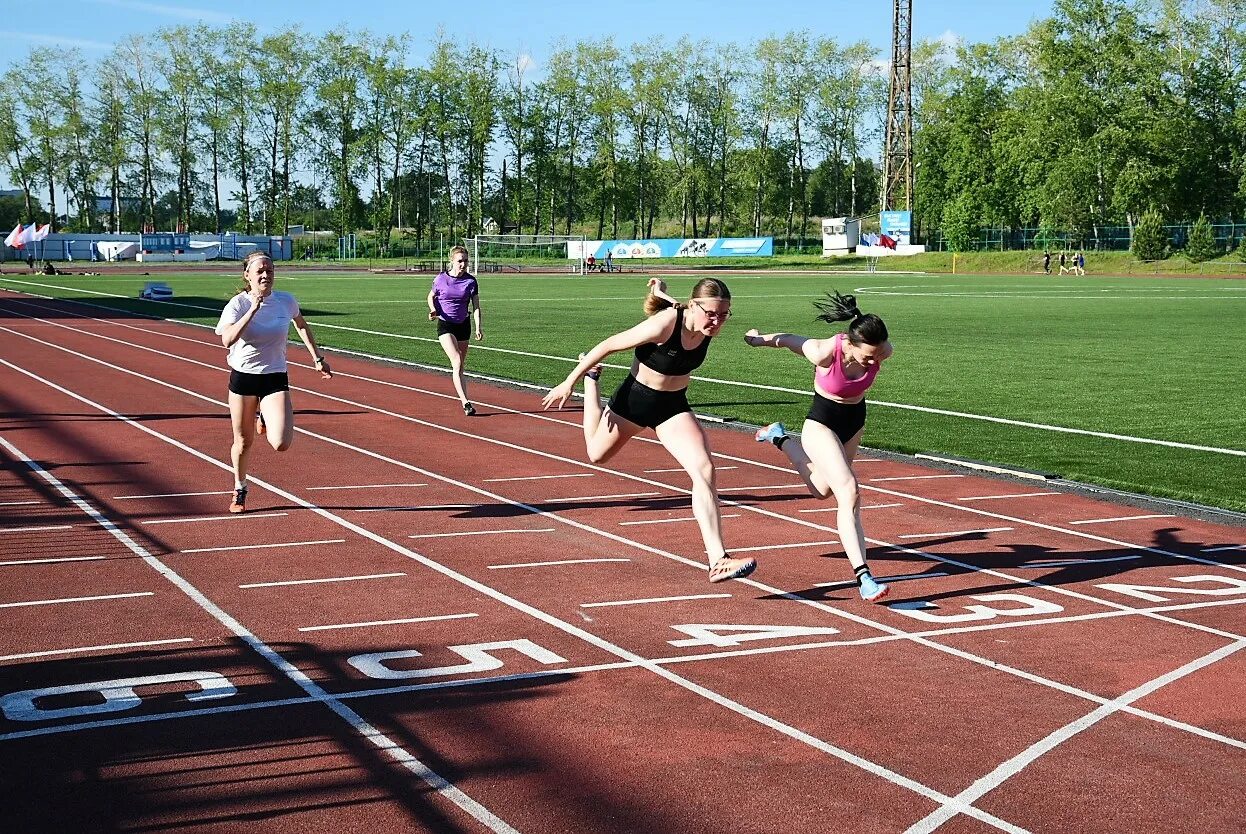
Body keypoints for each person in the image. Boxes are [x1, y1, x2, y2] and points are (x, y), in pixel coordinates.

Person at [542, 277, 756, 583]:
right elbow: (608, 344)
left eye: (724, 315)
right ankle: (592, 382)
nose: (717, 321)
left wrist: (658, 291)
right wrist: (569, 382)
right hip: (635, 401)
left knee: (705, 469)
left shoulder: (699, 320)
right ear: (695, 307)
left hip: (672, 406)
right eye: (711, 314)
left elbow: (673, 301)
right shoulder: (664, 324)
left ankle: (718, 559)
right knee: (596, 455)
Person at [745, 290, 893, 602]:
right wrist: (758, 340)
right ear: (849, 345)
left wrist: (876, 355)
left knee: (822, 490)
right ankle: (864, 577)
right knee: (849, 490)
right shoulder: (824, 351)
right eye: (868, 356)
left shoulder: (883, 350)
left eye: (877, 355)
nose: (874, 360)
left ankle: (778, 437)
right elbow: (787, 340)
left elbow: (878, 353)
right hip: (821, 422)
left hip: (854, 421)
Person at [215, 251, 332, 513]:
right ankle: (240, 487)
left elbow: (301, 325)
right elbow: (227, 340)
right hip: (243, 378)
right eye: (260, 271)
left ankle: (265, 417)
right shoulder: (237, 305)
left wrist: (317, 358)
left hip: (274, 376)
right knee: (243, 442)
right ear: (248, 275)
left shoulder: (285, 301)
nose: (266, 275)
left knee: (281, 443)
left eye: (269, 270)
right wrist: (253, 309)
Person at [428, 245, 483, 415]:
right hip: (446, 324)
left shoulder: (471, 281)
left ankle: (464, 400)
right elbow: (431, 296)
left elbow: (476, 306)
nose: (463, 264)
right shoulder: (440, 279)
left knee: (460, 367)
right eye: (460, 261)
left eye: (466, 261)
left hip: (463, 325)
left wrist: (478, 327)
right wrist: (433, 310)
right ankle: (466, 402)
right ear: (452, 261)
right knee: (457, 361)